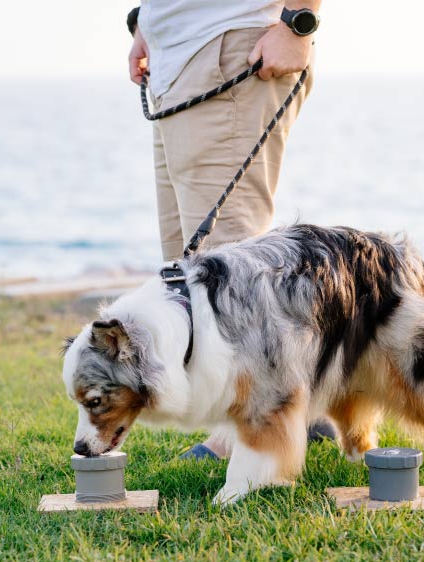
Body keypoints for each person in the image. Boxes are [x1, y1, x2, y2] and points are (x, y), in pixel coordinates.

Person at [127, 1, 337, 460]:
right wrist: (148, 23)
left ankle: (246, 431)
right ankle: (301, 408)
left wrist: (298, 22)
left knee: (231, 268)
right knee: (187, 265)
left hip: (231, 47)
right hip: (179, 58)